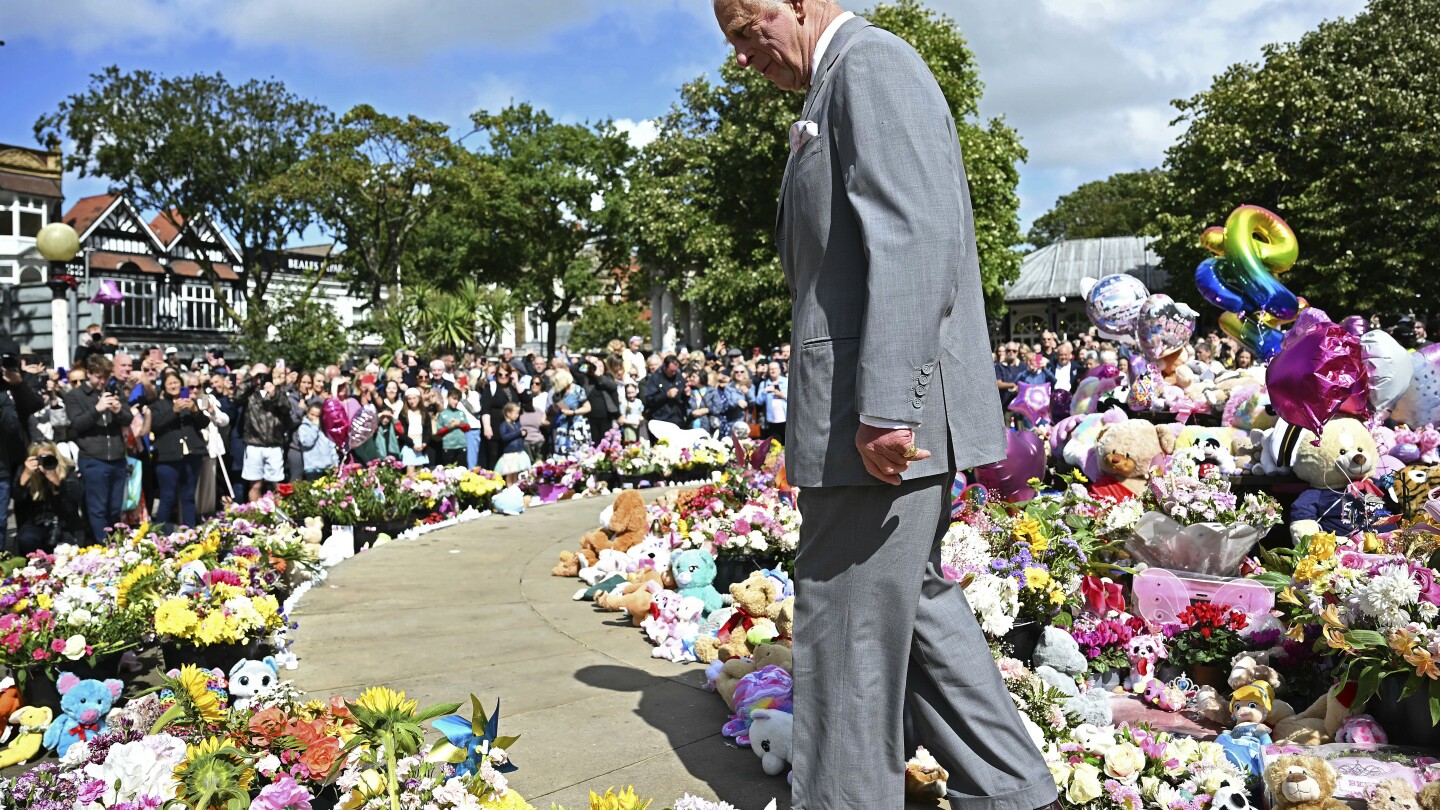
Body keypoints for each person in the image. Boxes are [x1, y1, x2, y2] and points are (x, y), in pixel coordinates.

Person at [714, 2, 1059, 808]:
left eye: (745, 26)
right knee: (913, 609)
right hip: (869, 413)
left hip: (872, 421)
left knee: (845, 623)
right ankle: (1016, 792)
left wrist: (887, 405)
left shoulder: (866, 66)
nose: (741, 53)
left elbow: (913, 237)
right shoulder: (839, 81)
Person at [65, 354, 133, 543]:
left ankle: (114, 543)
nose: (102, 382)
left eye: (105, 377)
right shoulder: (75, 396)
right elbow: (76, 424)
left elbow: (128, 419)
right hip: (93, 459)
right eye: (98, 377)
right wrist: (98, 408)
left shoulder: (115, 390)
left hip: (118, 458)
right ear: (89, 374)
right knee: (98, 508)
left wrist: (119, 410)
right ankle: (104, 545)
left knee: (114, 507)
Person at [150, 370, 210, 527]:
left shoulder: (191, 402)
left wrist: (195, 410)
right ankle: (159, 533)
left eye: (176, 382)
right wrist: (173, 411)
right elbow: (155, 425)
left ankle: (190, 531)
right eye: (169, 383)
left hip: (192, 454)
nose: (173, 386)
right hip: (167, 457)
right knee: (167, 497)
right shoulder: (158, 405)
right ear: (164, 386)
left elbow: (204, 423)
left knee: (189, 495)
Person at [1, 338, 45, 541]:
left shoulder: (25, 378)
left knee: (26, 514)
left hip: (22, 456)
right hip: (1, 460)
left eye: (13, 359)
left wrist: (18, 384)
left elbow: (35, 404)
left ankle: (25, 554)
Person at [13, 442, 86, 554]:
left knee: (69, 548)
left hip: (64, 523)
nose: (45, 462)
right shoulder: (27, 472)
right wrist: (27, 474)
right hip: (37, 523)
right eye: (42, 459)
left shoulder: (67, 470)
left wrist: (57, 481)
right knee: (27, 538)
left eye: (50, 458)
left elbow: (74, 500)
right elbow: (17, 497)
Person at [238, 364, 294, 502]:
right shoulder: (250, 393)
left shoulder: (278, 391)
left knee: (276, 486)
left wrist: (274, 394)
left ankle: (276, 519)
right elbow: (237, 395)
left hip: (274, 444)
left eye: (264, 375)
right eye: (259, 376)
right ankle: (256, 518)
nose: (261, 379)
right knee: (255, 484)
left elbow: (287, 408)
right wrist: (250, 376)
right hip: (254, 444)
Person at [550, 370, 592, 457]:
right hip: (563, 427)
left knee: (579, 454)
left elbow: (587, 408)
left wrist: (573, 412)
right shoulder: (558, 393)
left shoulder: (577, 390)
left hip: (577, 426)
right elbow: (556, 408)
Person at [296, 400, 339, 480]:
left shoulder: (325, 428)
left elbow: (331, 446)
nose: (314, 418)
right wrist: (315, 427)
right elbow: (307, 443)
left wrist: (335, 463)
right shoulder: (303, 428)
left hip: (328, 468)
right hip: (312, 468)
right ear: (307, 413)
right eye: (312, 414)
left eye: (317, 416)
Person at [643, 355, 687, 426]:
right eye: (671, 371)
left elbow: (683, 397)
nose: (674, 373)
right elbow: (650, 400)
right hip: (661, 419)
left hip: (677, 418)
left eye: (675, 370)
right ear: (665, 367)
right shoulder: (655, 378)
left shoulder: (678, 376)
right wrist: (666, 395)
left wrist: (686, 393)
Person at [492, 402, 530, 484]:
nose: (517, 415)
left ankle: (515, 487)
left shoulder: (517, 424)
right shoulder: (503, 425)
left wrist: (524, 434)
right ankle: (509, 488)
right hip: (510, 453)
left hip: (518, 452)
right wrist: (518, 433)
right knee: (509, 473)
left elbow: (520, 434)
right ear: (508, 413)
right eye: (515, 413)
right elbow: (504, 437)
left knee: (516, 472)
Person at [396, 388, 433, 470]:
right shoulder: (403, 414)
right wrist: (412, 444)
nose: (412, 401)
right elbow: (401, 432)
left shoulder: (424, 413)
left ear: (419, 398)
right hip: (409, 444)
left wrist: (424, 443)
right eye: (409, 399)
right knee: (410, 470)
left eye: (414, 398)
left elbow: (427, 430)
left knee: (421, 471)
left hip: (421, 444)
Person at [435, 387, 471, 467]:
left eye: (458, 399)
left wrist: (460, 424)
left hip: (461, 446)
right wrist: (450, 426)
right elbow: (439, 432)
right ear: (448, 398)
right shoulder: (443, 414)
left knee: (462, 470)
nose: (456, 401)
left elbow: (468, 428)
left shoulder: (461, 413)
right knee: (448, 470)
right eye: (454, 399)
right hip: (448, 447)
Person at [755, 360, 788, 444]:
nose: (773, 371)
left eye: (775, 368)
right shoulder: (764, 384)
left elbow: (795, 399)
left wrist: (782, 395)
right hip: (771, 420)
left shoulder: (787, 381)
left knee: (787, 443)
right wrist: (765, 391)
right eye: (770, 369)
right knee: (775, 445)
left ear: (780, 370)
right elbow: (758, 402)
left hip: (786, 418)